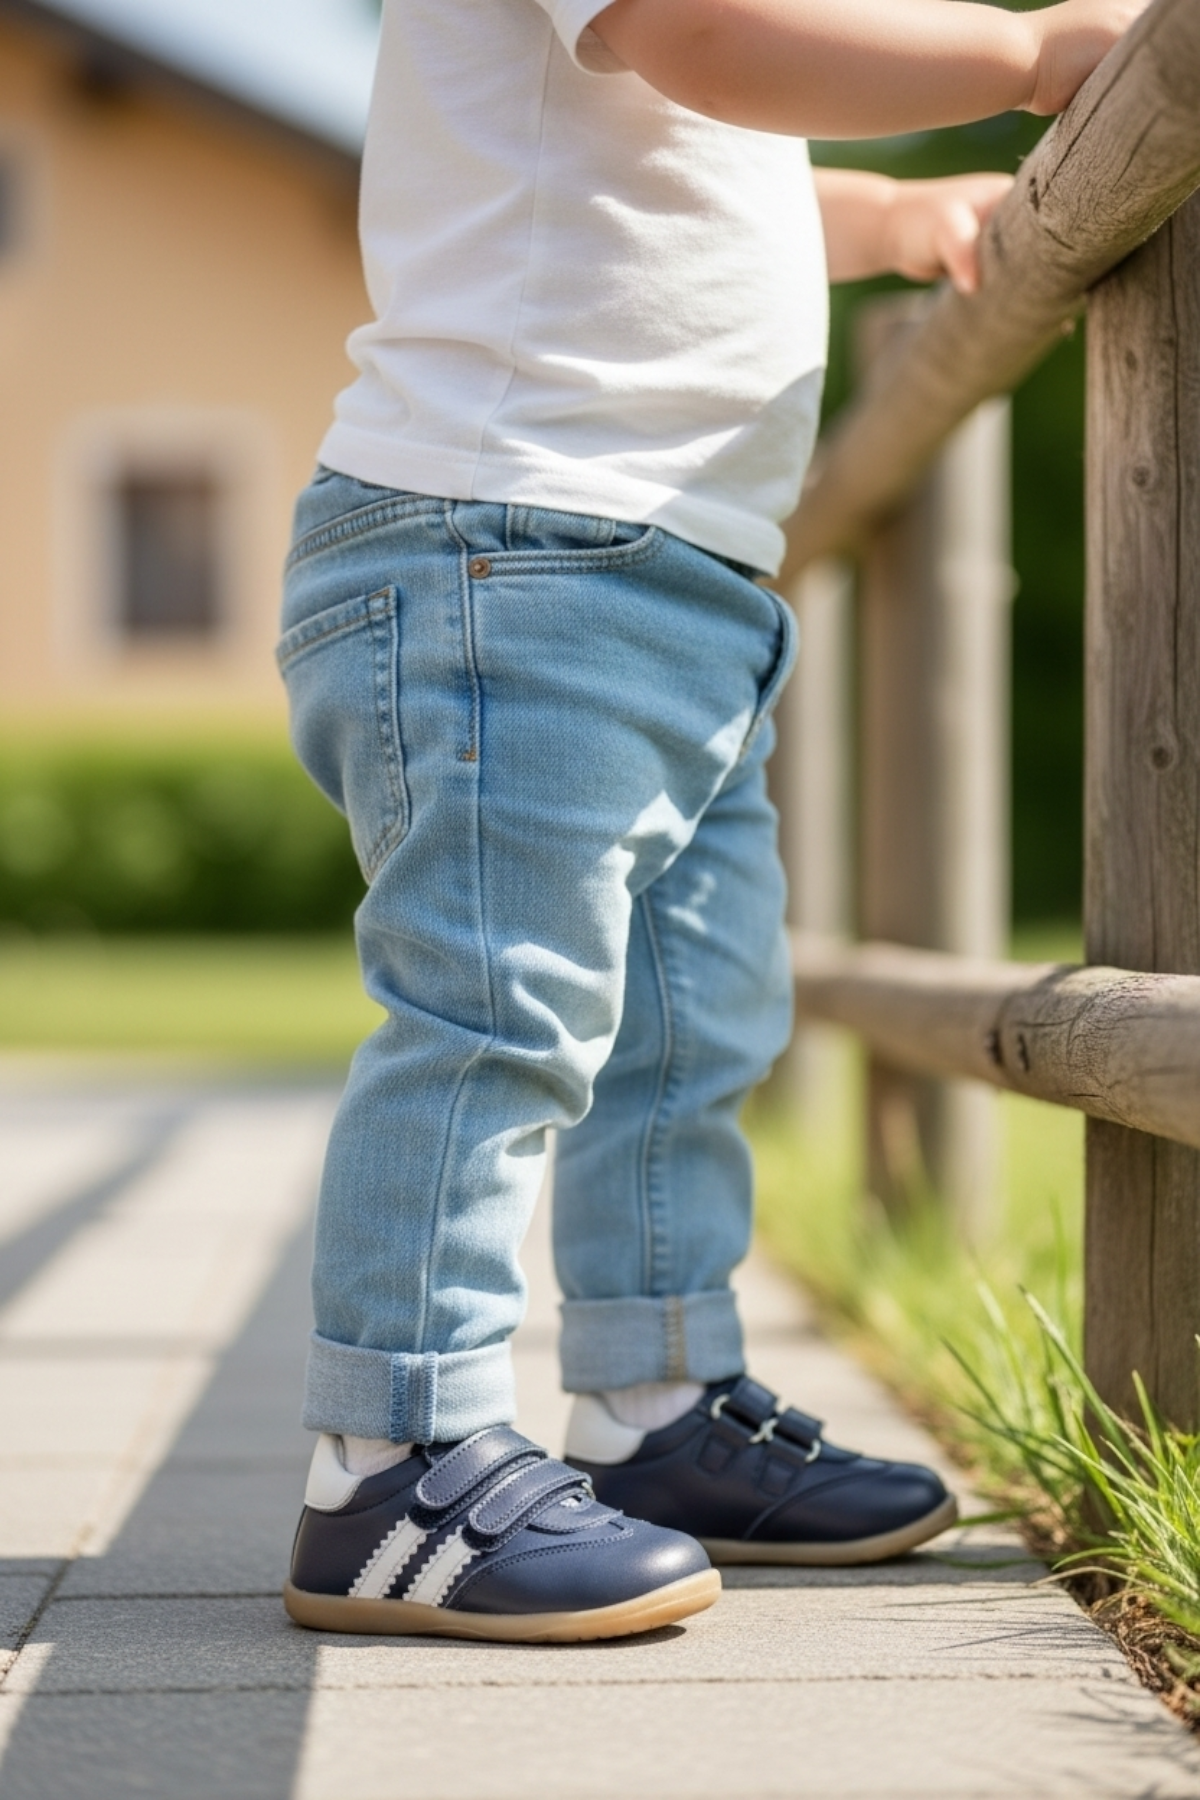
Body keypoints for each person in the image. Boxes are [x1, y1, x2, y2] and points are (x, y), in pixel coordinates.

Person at [279, 0, 1145, 1643]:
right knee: (494, 1014)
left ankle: (654, 1408)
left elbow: (687, 165)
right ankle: (388, 1460)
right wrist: (1030, 55)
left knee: (691, 1020)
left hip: (658, 574)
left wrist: (890, 216)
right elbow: (708, 37)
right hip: (512, 545)